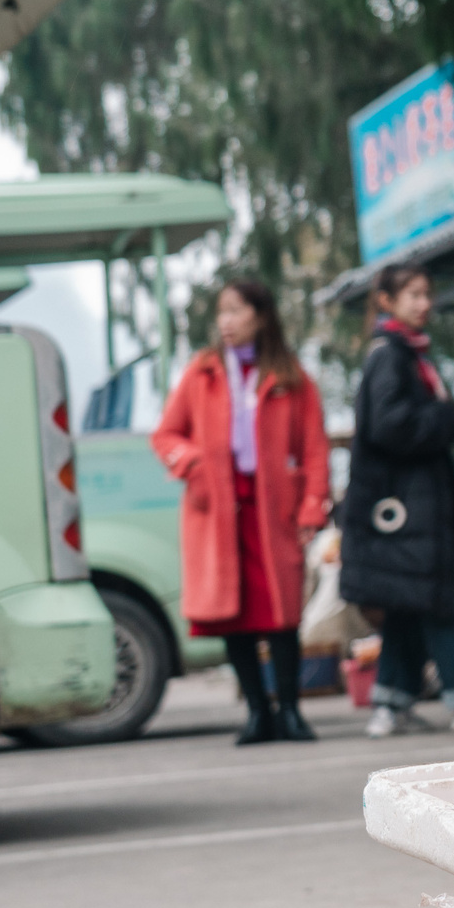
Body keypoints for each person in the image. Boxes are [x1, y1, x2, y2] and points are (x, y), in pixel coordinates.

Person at [152, 280, 330, 744]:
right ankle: (256, 713)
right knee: (233, 616)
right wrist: (192, 464)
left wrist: (312, 506)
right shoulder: (202, 373)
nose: (225, 322)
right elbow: (166, 435)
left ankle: (290, 711)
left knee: (282, 614)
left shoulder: (291, 376)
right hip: (216, 514)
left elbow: (314, 449)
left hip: (274, 512)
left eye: (235, 311)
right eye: (221, 313)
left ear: (261, 316)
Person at [339, 263, 454, 736]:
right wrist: (446, 419)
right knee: (439, 600)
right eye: (413, 295)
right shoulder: (392, 356)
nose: (424, 304)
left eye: (427, 294)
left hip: (413, 509)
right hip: (410, 509)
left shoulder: (406, 352)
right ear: (387, 301)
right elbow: (388, 423)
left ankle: (390, 703)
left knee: (406, 602)